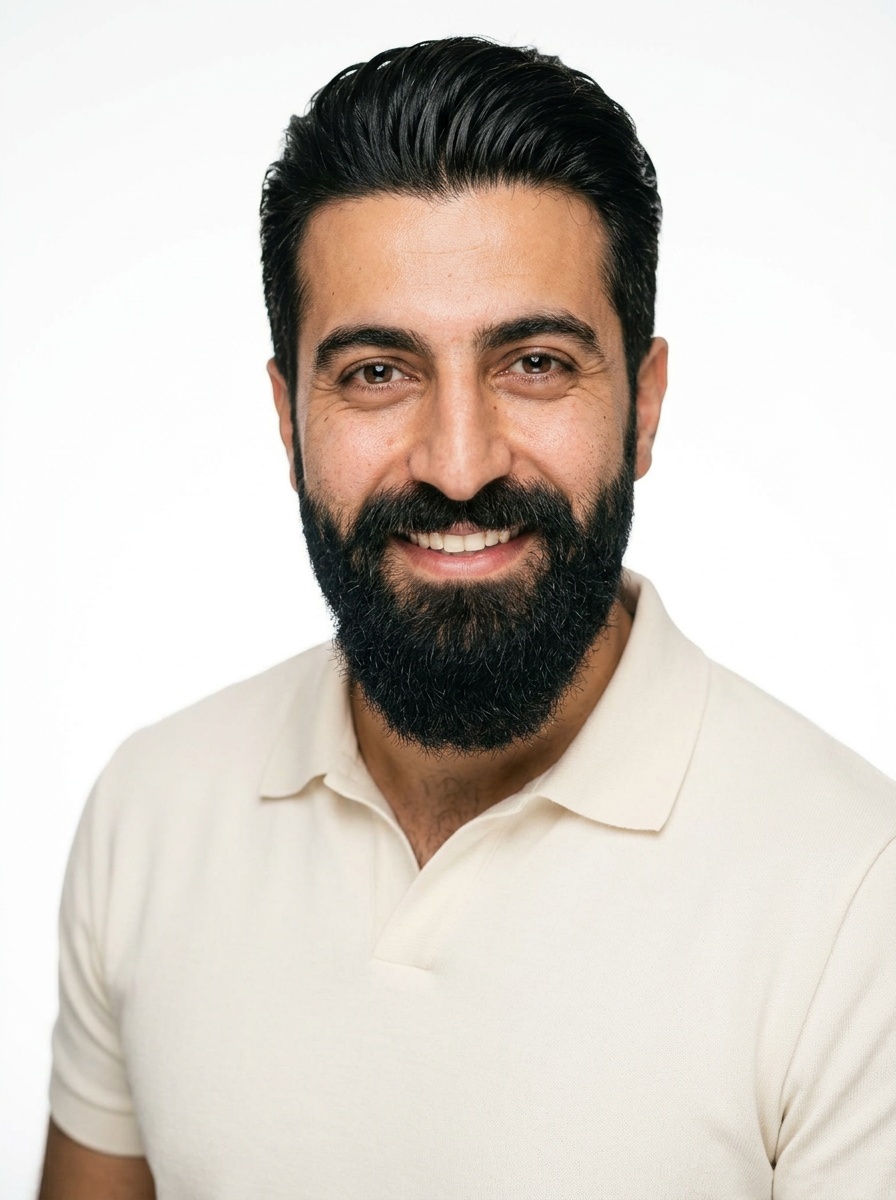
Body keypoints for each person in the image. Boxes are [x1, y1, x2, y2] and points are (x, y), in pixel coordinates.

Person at [39, 37, 895, 1200]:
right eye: (377, 372)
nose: (454, 463)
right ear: (288, 418)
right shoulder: (149, 811)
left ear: (642, 405)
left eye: (533, 362)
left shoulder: (856, 894)